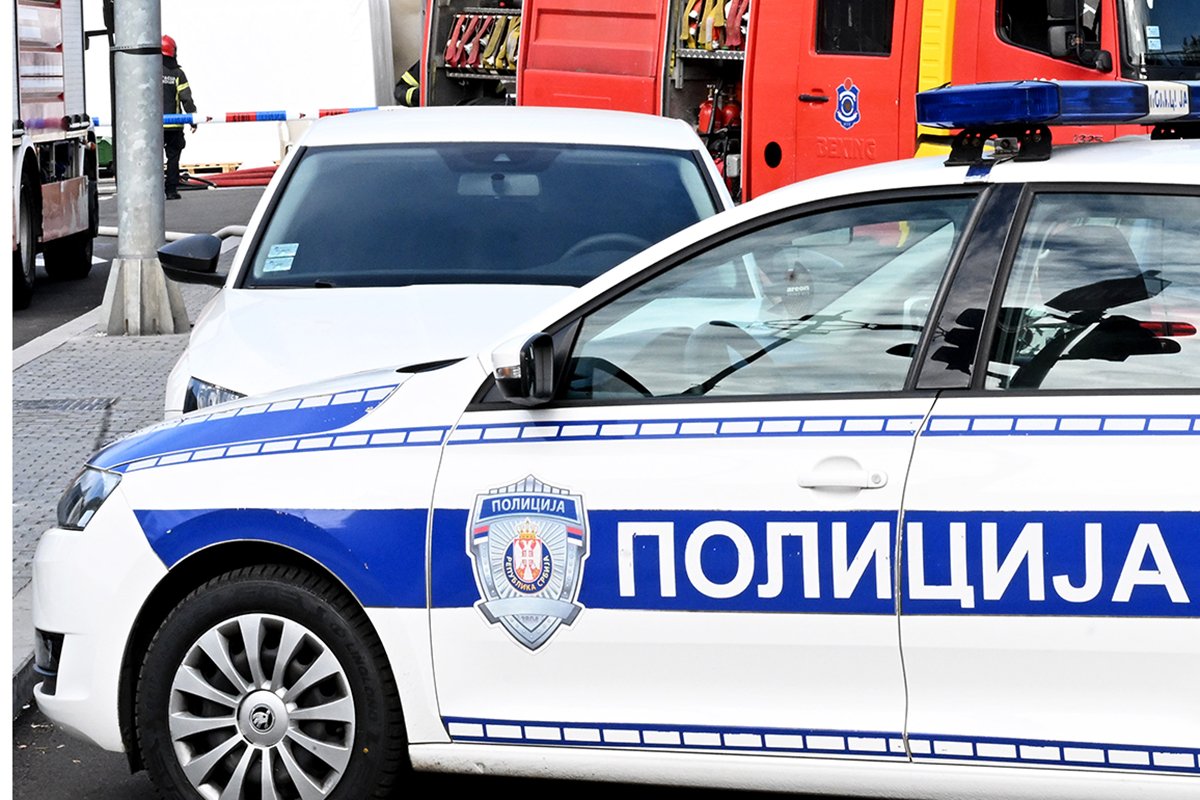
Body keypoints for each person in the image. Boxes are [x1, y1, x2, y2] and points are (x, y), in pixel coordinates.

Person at [161, 34, 197, 200]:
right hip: (174, 124)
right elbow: (186, 98)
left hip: (153, 125)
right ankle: (171, 190)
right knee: (173, 157)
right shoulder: (177, 73)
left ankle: (153, 189)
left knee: (152, 158)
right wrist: (192, 118)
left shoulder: (149, 71)